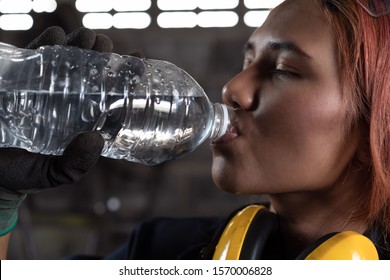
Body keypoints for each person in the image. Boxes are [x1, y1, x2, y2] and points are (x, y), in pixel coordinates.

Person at [1, 0, 389, 260]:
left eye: (283, 70)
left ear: (376, 124)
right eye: (246, 61)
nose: (232, 88)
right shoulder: (160, 251)